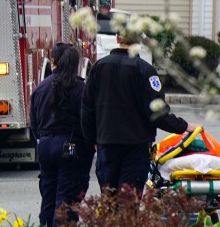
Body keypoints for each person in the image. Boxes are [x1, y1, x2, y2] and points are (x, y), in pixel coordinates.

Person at [81, 28, 190, 195]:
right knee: (129, 204)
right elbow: (158, 113)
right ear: (138, 41)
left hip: (106, 144)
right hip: (136, 147)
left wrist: (92, 140)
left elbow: (87, 109)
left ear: (117, 38)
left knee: (109, 200)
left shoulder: (98, 68)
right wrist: (184, 126)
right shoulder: (145, 70)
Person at [29, 43, 94, 227]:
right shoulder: (80, 88)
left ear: (54, 62)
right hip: (69, 145)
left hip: (45, 145)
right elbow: (87, 121)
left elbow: (34, 121)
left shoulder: (40, 88)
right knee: (67, 192)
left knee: (48, 193)